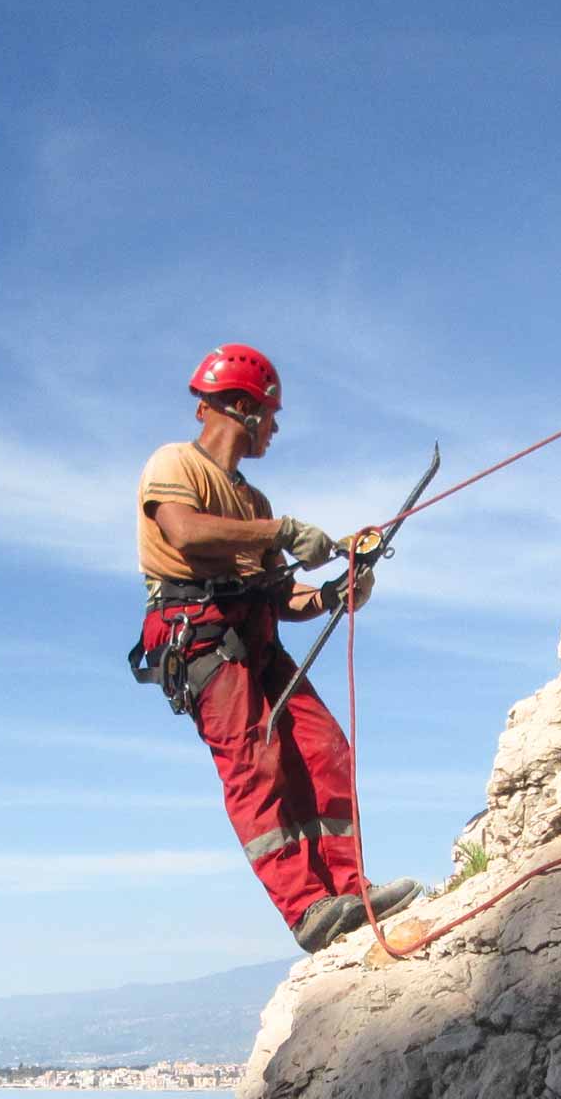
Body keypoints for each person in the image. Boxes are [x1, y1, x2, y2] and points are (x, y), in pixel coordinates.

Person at [132, 343, 423, 952]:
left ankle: (348, 888)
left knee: (323, 747)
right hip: (203, 634)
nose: (275, 427)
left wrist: (331, 596)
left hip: (252, 631)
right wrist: (284, 532)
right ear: (241, 407)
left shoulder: (254, 502)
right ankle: (306, 907)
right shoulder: (175, 464)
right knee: (255, 764)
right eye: (270, 413)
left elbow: (281, 595)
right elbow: (183, 532)